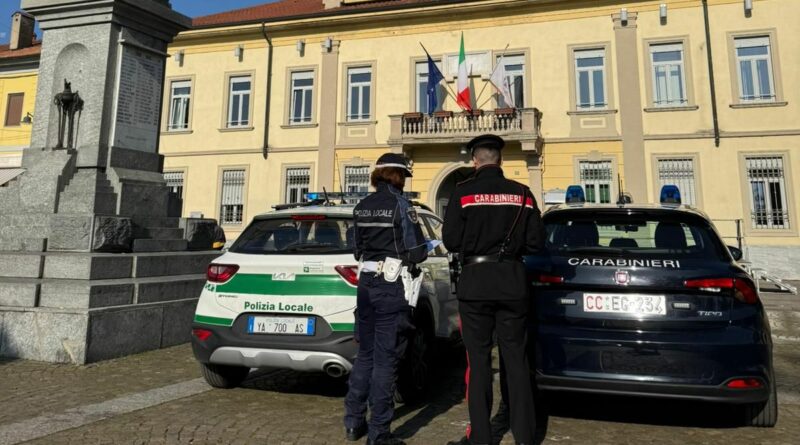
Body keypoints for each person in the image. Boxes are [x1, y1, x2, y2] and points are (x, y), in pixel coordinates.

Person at [443, 134, 545, 445]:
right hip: (512, 282)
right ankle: (526, 435)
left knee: (479, 361)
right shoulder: (523, 193)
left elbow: (451, 241)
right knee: (516, 359)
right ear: (500, 160)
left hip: (476, 284)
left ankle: (482, 437)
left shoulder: (463, 193)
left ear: (475, 160)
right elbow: (536, 243)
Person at [343, 153, 428, 445]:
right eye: (404, 176)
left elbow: (356, 249)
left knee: (365, 355)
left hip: (365, 285)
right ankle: (379, 434)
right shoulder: (402, 206)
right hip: (392, 286)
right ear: (398, 175)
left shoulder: (361, 206)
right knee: (386, 360)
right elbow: (418, 252)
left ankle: (354, 421)